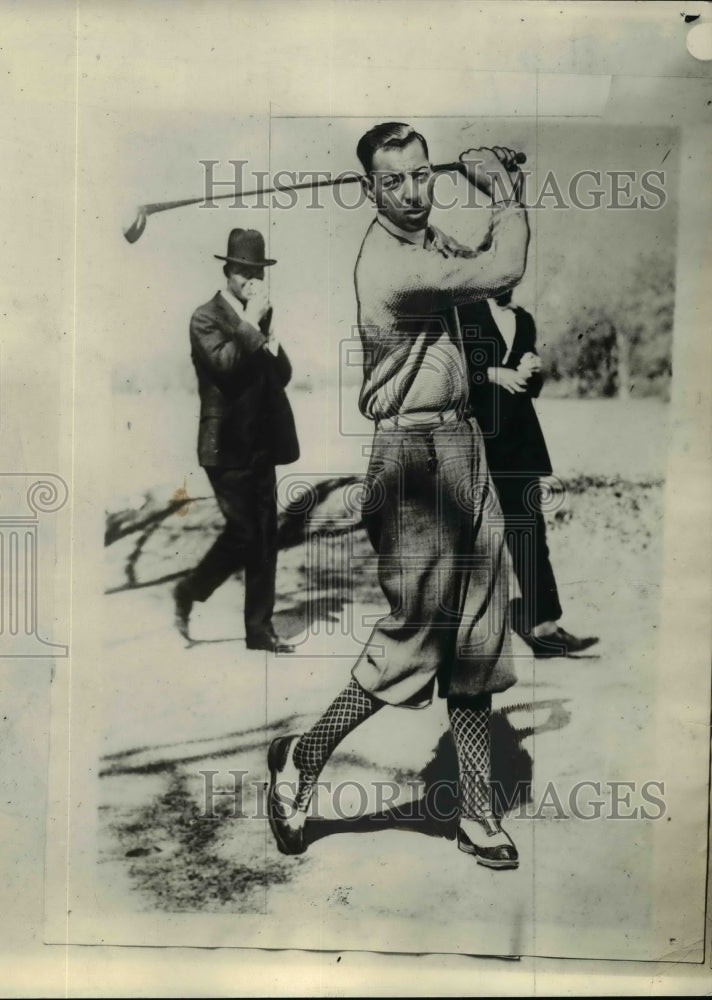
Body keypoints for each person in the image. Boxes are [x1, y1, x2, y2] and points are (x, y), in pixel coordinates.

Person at [267, 123, 530, 869]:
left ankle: (477, 812)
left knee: (478, 633)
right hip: (413, 460)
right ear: (368, 189)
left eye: (423, 176)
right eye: (396, 182)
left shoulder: (425, 243)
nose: (415, 193)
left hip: (462, 443)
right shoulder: (389, 264)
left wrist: (500, 193)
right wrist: (503, 195)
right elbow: (502, 260)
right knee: (417, 635)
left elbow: (497, 278)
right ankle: (303, 757)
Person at [173, 228, 299, 654]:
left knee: (264, 535)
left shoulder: (260, 316)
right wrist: (250, 325)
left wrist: (271, 337)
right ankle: (190, 590)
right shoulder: (205, 316)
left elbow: (279, 377)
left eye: (258, 272)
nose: (251, 279)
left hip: (261, 442)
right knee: (244, 531)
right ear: (227, 271)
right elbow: (224, 366)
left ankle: (258, 631)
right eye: (244, 271)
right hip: (224, 444)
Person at [459, 293, 598, 657]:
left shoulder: (524, 319)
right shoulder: (461, 310)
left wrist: (532, 371)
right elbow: (447, 370)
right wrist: (491, 373)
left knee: (529, 535)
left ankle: (544, 629)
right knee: (467, 540)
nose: (509, 279)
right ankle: (458, 639)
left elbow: (530, 389)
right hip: (472, 441)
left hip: (519, 446)